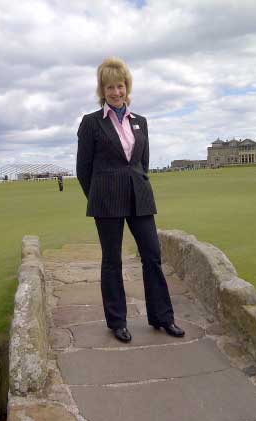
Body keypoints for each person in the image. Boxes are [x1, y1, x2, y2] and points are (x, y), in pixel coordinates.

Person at [76, 57, 185, 343]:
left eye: (120, 86)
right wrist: (99, 196)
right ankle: (117, 321)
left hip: (140, 197)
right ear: (102, 90)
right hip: (106, 201)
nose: (116, 92)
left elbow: (142, 164)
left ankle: (163, 317)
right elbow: (82, 170)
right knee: (112, 261)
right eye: (110, 87)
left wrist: (135, 184)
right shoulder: (90, 123)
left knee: (152, 255)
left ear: (127, 87)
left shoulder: (141, 123)